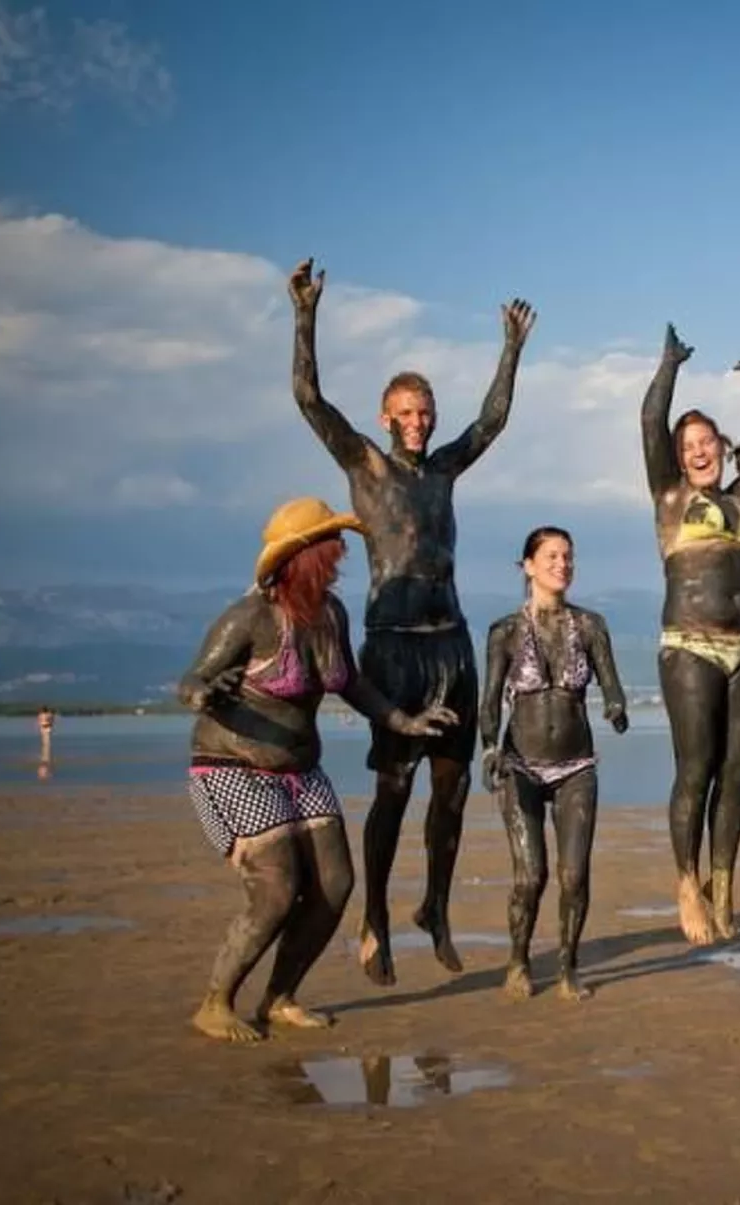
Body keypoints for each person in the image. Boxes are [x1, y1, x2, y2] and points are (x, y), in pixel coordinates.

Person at [287, 257, 535, 986]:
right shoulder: (364, 462)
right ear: (385, 417)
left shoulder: (444, 469)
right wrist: (305, 315)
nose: (420, 423)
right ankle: (374, 920)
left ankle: (435, 905)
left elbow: (491, 421)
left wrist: (511, 351)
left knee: (452, 790)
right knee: (394, 789)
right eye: (408, 413)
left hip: (450, 643)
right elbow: (307, 397)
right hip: (394, 648)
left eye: (426, 413)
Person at [177, 497, 456, 1043]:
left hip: (303, 771)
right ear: (304, 556)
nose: (340, 558)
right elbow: (190, 680)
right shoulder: (250, 616)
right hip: (233, 767)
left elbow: (349, 681)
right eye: (332, 550)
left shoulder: (331, 614)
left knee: (335, 884)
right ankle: (216, 1002)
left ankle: (280, 995)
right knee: (277, 890)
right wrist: (207, 695)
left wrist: (403, 720)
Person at [640, 324, 740, 945]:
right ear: (679, 457)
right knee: (696, 769)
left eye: (708, 442)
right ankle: (687, 883)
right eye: (691, 445)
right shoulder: (671, 496)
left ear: (721, 445)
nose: (701, 451)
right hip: (690, 646)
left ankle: (724, 885)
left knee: (736, 776)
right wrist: (668, 366)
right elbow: (651, 420)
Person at [479, 527, 629, 1001]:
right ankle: (518, 961)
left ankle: (568, 968)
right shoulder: (504, 631)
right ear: (528, 565)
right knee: (531, 876)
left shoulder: (590, 626)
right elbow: (488, 703)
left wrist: (616, 708)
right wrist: (488, 749)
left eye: (568, 556)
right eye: (551, 556)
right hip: (519, 765)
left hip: (576, 766)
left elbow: (612, 685)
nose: (562, 564)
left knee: (574, 875)